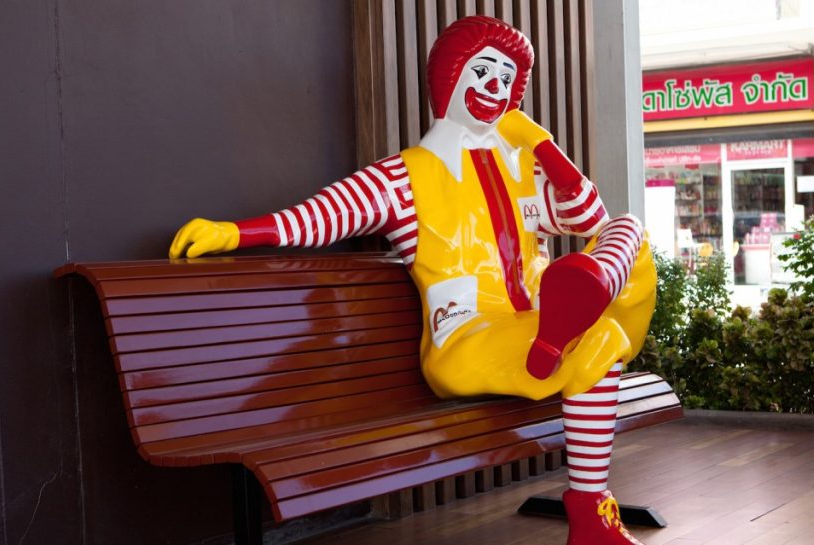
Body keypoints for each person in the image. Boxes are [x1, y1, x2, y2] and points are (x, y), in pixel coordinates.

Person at [169, 15, 654, 545]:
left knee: (626, 228)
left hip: (532, 325)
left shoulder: (522, 171)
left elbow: (588, 218)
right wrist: (237, 233)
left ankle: (581, 300)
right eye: (482, 71)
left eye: (507, 78)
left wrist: (538, 141)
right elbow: (322, 215)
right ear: (450, 77)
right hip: (468, 336)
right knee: (601, 338)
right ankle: (588, 509)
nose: (495, 88)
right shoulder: (405, 176)